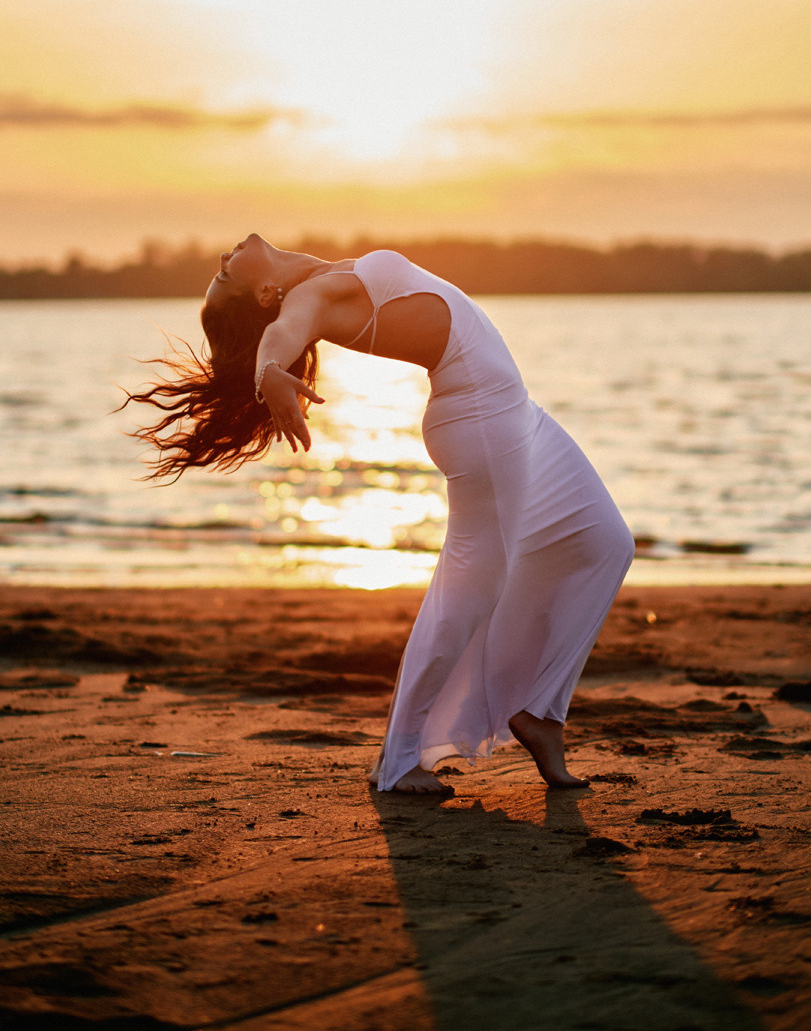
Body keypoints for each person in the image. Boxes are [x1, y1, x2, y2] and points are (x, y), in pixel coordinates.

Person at [128, 234, 636, 795]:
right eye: (225, 276)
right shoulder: (312, 297)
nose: (222, 259)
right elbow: (284, 331)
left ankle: (540, 711)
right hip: (481, 421)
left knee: (607, 542)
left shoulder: (324, 275)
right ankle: (399, 761)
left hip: (516, 412)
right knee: (466, 594)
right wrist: (269, 370)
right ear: (268, 291)